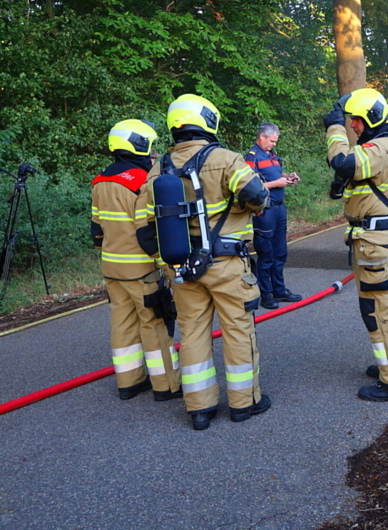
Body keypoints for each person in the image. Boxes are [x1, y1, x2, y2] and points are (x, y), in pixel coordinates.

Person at [135, 94, 272, 431]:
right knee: (237, 330)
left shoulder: (158, 168)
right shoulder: (225, 159)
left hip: (181, 267)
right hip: (226, 265)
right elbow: (258, 196)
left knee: (193, 333)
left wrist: (165, 261)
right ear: (209, 122)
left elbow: (143, 224)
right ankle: (244, 403)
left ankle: (199, 408)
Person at [324, 88, 388, 402]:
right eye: (349, 121)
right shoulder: (386, 145)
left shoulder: (383, 146)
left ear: (372, 118)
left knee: (380, 311)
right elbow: (355, 177)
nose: (353, 127)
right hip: (375, 240)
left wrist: (333, 128)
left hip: (375, 243)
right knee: (380, 309)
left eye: (357, 121)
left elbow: (342, 160)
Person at [91, 120, 182, 402]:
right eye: (149, 146)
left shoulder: (100, 180)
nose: (152, 152)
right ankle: (166, 385)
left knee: (122, 323)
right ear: (139, 144)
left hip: (111, 266)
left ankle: (129, 382)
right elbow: (147, 232)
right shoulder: (140, 181)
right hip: (140, 268)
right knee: (154, 323)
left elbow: (96, 231)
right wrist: (167, 265)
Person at [245, 122, 301, 309]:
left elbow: (275, 173)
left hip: (279, 208)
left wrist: (288, 176)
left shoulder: (272, 155)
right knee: (266, 254)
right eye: (271, 141)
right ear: (262, 137)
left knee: (280, 252)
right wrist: (276, 183)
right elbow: (248, 185)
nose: (274, 144)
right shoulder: (251, 157)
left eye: (275, 141)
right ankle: (266, 294)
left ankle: (279, 289)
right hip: (264, 210)